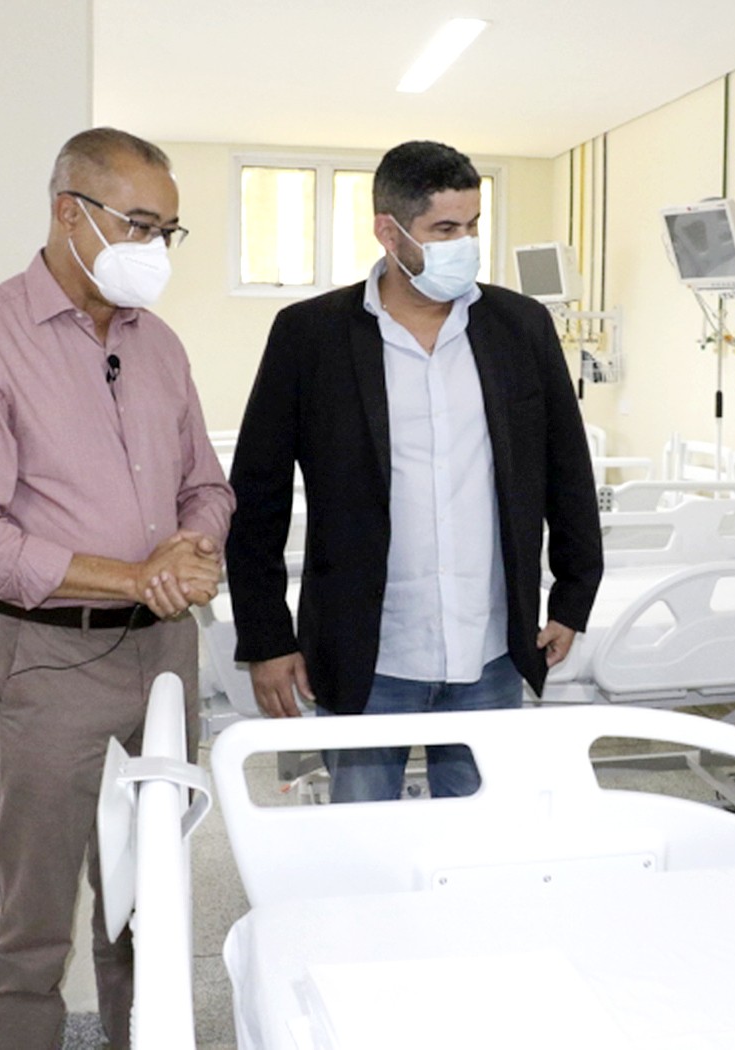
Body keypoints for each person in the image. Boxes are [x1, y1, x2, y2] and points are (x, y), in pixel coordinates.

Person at [0, 127, 232, 1050]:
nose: (154, 249)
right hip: (48, 659)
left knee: (148, 898)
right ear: (68, 212)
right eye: (139, 224)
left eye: (167, 231)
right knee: (37, 910)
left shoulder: (158, 345)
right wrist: (132, 573)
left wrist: (193, 548)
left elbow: (207, 485)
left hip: (162, 651)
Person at [225, 139, 603, 802]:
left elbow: (566, 468)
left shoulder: (520, 328)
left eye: (473, 226)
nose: (466, 245)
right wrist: (266, 639)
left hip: (488, 648)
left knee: (478, 838)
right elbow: (257, 498)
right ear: (388, 231)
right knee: (363, 839)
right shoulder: (310, 336)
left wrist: (573, 596)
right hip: (368, 652)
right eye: (444, 229)